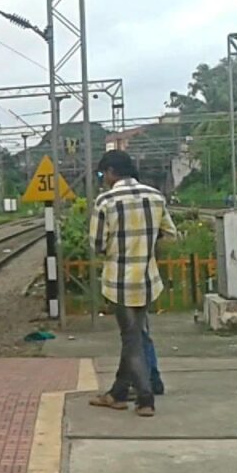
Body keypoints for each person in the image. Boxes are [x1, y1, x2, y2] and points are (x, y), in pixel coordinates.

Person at [88, 150, 177, 417]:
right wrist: (146, 242)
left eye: (103, 174)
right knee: (134, 336)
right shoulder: (155, 197)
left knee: (132, 339)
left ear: (111, 172)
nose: (103, 178)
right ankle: (116, 393)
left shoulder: (106, 201)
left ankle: (145, 399)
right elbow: (170, 233)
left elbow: (97, 244)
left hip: (119, 281)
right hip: (147, 280)